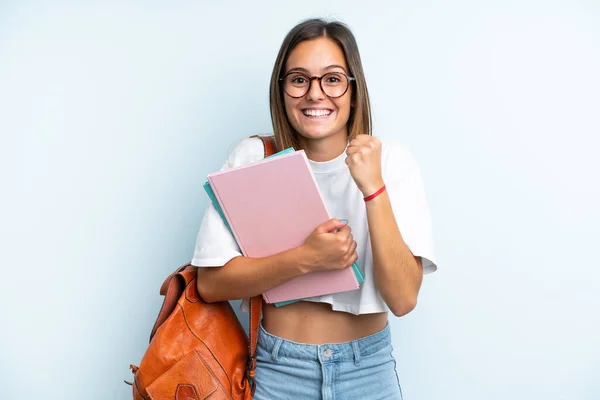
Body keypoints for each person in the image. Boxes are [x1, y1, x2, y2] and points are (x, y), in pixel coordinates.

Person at [191, 18, 437, 400]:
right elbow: (210, 285)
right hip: (278, 373)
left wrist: (373, 189)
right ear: (282, 90)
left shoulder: (392, 163)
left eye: (333, 79)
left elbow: (403, 299)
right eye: (299, 79)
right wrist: (306, 258)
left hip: (368, 372)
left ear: (354, 90)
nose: (315, 94)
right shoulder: (254, 157)